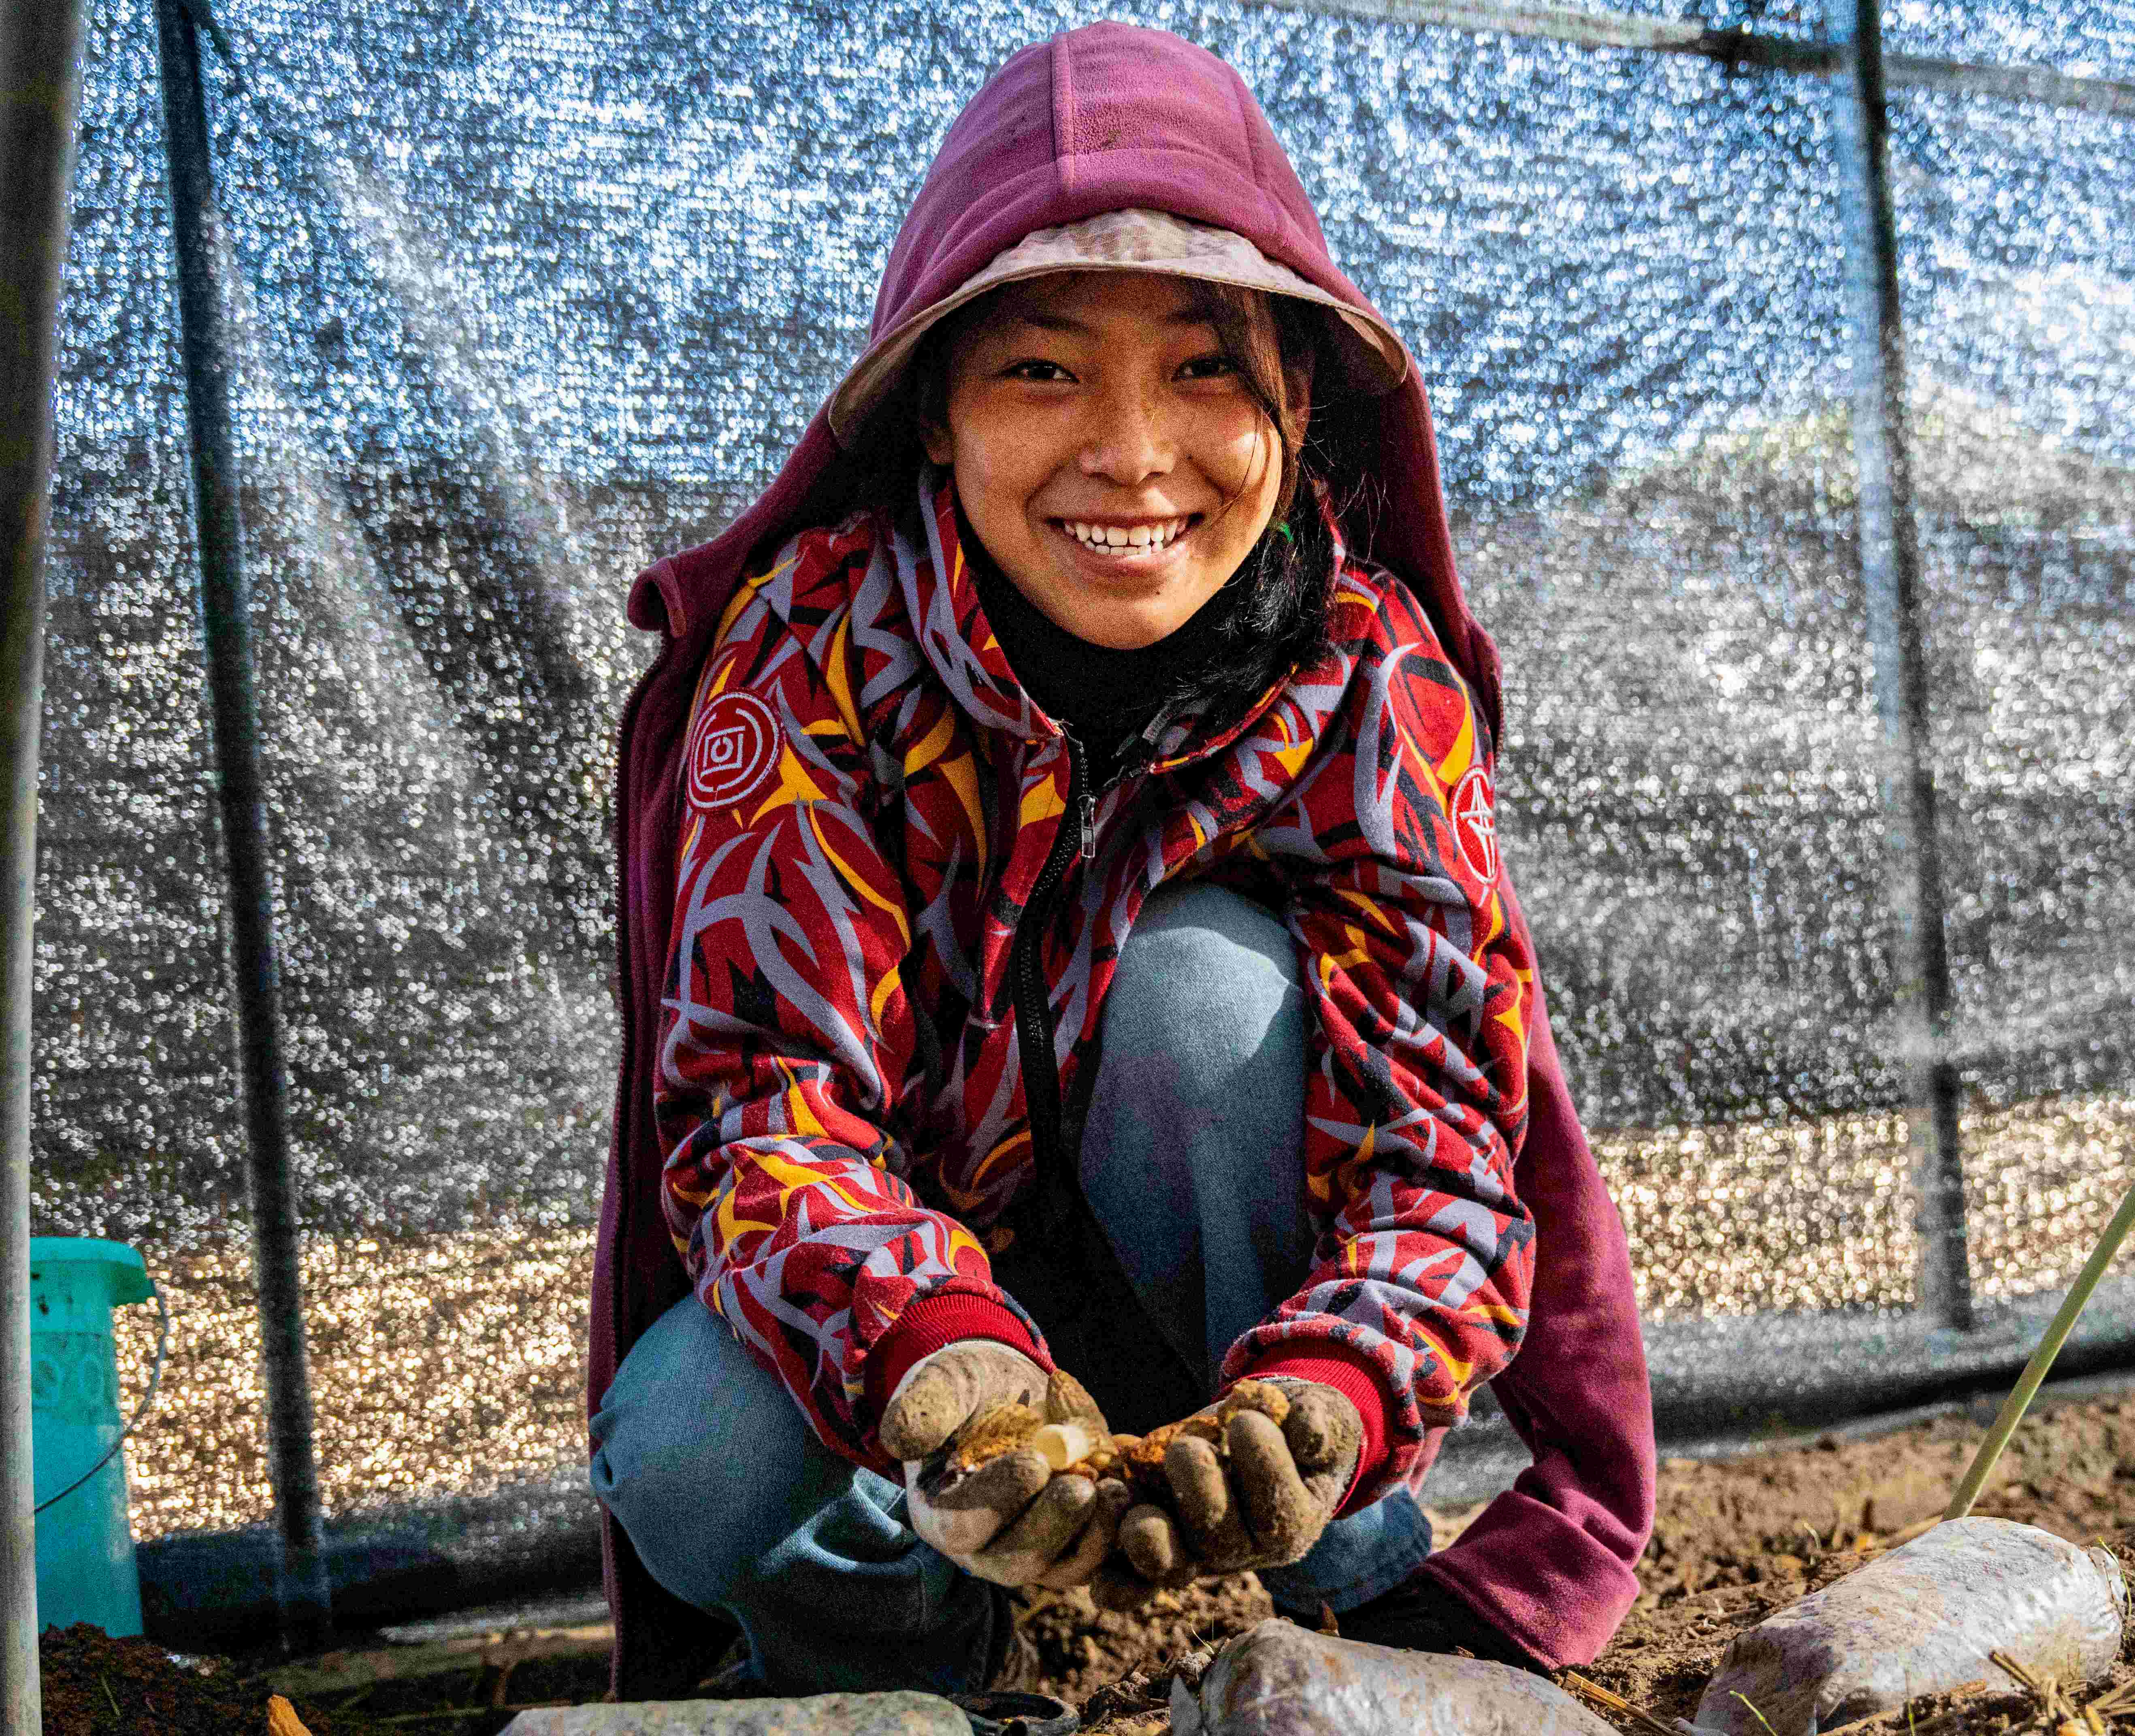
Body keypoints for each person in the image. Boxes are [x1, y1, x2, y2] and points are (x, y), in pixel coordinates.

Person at [588, 21, 1656, 1705]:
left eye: (1205, 370)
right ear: (933, 411)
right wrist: (944, 1364)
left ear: (1297, 409)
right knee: (688, 1447)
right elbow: (763, 1103)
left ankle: (1336, 1590)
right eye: (1042, 369)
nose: (1133, 453)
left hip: (1238, 1322)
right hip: (921, 1364)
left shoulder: (1363, 675)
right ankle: (939, 1652)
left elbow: (1440, 1144)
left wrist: (1336, 1396)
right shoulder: (814, 659)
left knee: (1200, 991)